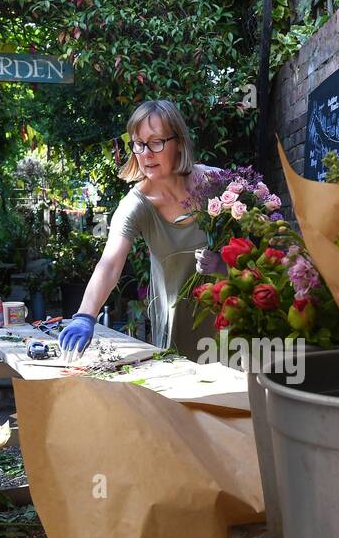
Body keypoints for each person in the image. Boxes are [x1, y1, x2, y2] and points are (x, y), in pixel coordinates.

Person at [60, 100, 219, 360]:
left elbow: (257, 243)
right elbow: (109, 265)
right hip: (179, 329)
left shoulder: (217, 184)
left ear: (178, 142)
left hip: (232, 317)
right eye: (138, 143)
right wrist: (85, 315)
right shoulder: (135, 206)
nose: (146, 153)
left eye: (156, 142)